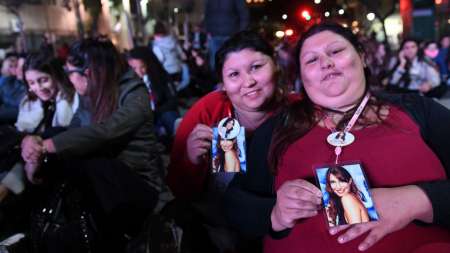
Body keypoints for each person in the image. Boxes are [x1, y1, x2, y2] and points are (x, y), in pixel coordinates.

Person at [224, 22, 450, 253]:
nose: (326, 62)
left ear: (362, 57)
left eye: (335, 51)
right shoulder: (278, 128)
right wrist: (274, 214)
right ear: (301, 76)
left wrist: (419, 200)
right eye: (311, 60)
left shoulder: (419, 111)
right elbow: (234, 205)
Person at [21, 38, 165, 252]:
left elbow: (105, 132)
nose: (69, 79)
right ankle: (40, 222)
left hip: (139, 186)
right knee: (57, 138)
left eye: (70, 72)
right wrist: (35, 147)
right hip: (107, 186)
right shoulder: (91, 94)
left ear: (87, 73)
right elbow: (73, 132)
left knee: (89, 159)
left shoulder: (134, 93)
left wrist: (47, 146)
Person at [167, 30, 296, 252]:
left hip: (286, 228)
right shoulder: (209, 110)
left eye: (256, 67)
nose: (249, 81)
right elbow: (180, 190)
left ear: (275, 65)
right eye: (234, 74)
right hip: (220, 228)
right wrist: (191, 160)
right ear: (223, 84)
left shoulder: (299, 110)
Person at [126, 46, 179, 137]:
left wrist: (156, 111)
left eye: (142, 67)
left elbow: (172, 100)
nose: (139, 72)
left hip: (161, 112)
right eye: (134, 68)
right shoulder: (129, 83)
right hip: (143, 118)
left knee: (170, 117)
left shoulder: (160, 76)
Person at [204, 0, 249, 70]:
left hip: (231, 36)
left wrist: (240, 33)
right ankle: (218, 80)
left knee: (232, 63)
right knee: (214, 64)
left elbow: (244, 14)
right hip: (214, 36)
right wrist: (208, 31)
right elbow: (207, 14)